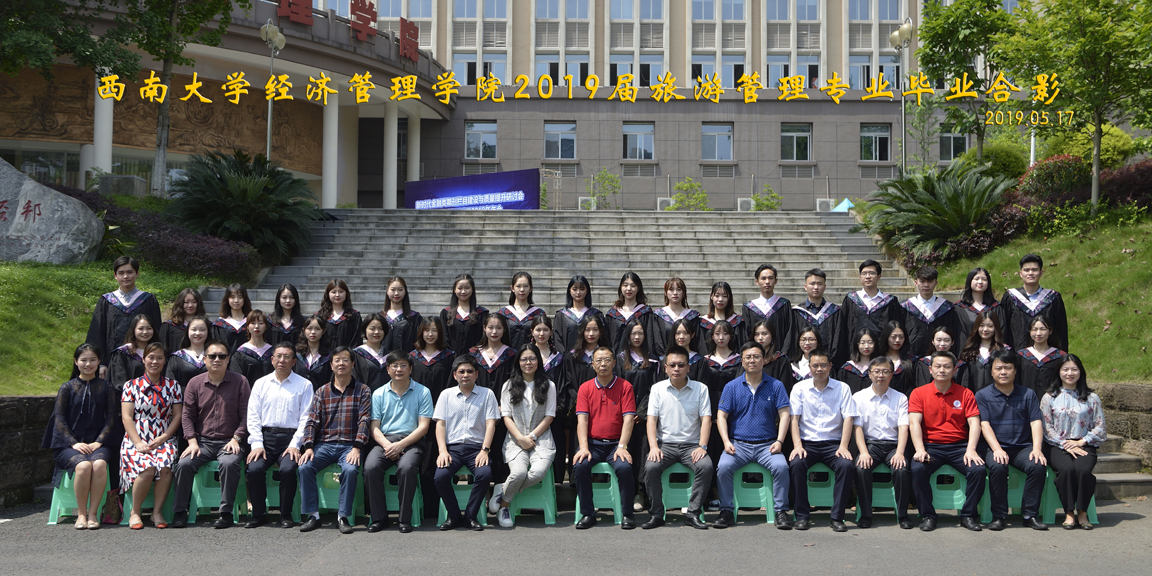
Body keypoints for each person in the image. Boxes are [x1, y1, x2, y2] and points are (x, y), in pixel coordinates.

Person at [170, 340, 251, 529]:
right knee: (183, 464)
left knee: (229, 463)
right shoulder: (195, 383)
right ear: (205, 359)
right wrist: (192, 441)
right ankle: (180, 512)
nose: (217, 360)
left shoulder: (240, 382)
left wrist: (237, 438)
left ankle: (226, 513)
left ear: (228, 359)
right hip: (202, 442)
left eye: (221, 356)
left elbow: (247, 415)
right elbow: (187, 415)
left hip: (231, 441)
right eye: (212, 356)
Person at [712, 342, 793, 530]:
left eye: (756, 356)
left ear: (764, 360)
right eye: (748, 357)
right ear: (741, 361)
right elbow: (721, 416)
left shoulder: (776, 385)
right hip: (738, 445)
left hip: (768, 445)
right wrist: (726, 441)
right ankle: (726, 510)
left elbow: (785, 414)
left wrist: (780, 441)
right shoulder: (732, 387)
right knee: (723, 467)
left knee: (781, 467)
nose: (752, 360)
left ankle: (781, 511)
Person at [297, 346, 372, 534]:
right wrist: (308, 447)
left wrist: (357, 448)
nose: (341, 364)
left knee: (350, 469)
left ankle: (343, 516)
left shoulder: (362, 390)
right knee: (305, 466)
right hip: (324, 445)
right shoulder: (322, 392)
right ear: (331, 365)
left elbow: (364, 420)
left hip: (350, 446)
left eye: (345, 360)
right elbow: (312, 421)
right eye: (337, 360)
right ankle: (313, 515)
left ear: (352, 364)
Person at [42, 344, 118, 530]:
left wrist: (99, 441)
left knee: (99, 464)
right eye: (84, 360)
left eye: (92, 360)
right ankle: (81, 514)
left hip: (98, 444)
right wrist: (73, 443)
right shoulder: (67, 388)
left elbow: (111, 418)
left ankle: (93, 514)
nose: (88, 364)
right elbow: (59, 419)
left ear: (99, 362)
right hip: (69, 446)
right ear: (76, 362)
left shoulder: (107, 387)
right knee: (83, 466)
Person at [909, 351, 986, 532]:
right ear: (930, 369)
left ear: (954, 370)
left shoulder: (965, 393)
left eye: (946, 366)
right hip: (931, 446)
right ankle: (928, 515)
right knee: (918, 469)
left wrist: (971, 449)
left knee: (978, 470)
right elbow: (914, 423)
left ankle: (968, 515)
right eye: (937, 366)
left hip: (959, 446)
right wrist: (920, 449)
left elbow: (974, 423)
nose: (942, 370)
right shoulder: (919, 393)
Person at [641, 346, 713, 530]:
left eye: (681, 365)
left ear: (688, 367)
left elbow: (706, 420)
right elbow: (651, 420)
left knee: (705, 466)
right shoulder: (657, 389)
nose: (676, 369)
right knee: (650, 467)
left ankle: (693, 513)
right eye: (672, 365)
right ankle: (657, 514)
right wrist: (654, 447)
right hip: (665, 445)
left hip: (692, 446)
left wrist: (702, 446)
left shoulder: (700, 389)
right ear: (665, 368)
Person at [243, 342, 314, 529]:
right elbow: (253, 416)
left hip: (290, 439)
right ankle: (259, 514)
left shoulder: (304, 385)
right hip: (265, 438)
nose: (282, 360)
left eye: (287, 357)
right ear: (272, 359)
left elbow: (306, 418)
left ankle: (285, 514)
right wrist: (257, 444)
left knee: (288, 470)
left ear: (294, 361)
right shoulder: (261, 383)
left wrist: (295, 444)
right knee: (254, 469)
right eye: (278, 356)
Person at [976, 349, 1048, 530]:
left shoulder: (1028, 394)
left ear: (1015, 370)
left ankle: (1030, 515)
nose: (1003, 372)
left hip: (1022, 447)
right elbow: (984, 424)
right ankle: (999, 516)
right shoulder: (982, 395)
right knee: (998, 467)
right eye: (998, 368)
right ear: (991, 371)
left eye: (1008, 368)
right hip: (994, 447)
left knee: (1037, 465)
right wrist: (997, 449)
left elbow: (1036, 422)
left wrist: (1037, 448)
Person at [788, 348, 858, 532]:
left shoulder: (842, 388)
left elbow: (848, 418)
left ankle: (837, 517)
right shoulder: (799, 388)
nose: (819, 369)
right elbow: (794, 419)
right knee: (796, 464)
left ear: (830, 366)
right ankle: (802, 515)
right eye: (815, 365)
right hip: (807, 444)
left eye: (823, 365)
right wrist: (797, 445)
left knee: (846, 465)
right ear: (809, 367)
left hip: (833, 444)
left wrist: (844, 446)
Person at [364, 352, 433, 533]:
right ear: (388, 370)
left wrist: (401, 445)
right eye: (394, 365)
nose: (399, 369)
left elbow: (423, 427)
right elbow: (374, 428)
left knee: (406, 468)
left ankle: (404, 519)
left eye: (403, 365)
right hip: (385, 441)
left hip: (412, 441)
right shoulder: (379, 394)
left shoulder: (423, 392)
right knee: (370, 467)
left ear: (410, 369)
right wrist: (388, 446)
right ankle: (379, 518)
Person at [489, 345, 557, 528]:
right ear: (518, 362)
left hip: (542, 439)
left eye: (532, 358)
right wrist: (520, 438)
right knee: (518, 472)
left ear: (538, 361)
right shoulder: (509, 385)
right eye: (524, 359)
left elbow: (549, 416)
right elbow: (506, 416)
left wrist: (532, 436)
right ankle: (505, 504)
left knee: (538, 473)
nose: (528, 363)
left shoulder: (548, 385)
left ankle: (503, 496)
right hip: (515, 439)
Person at [573, 347, 637, 529]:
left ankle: (627, 514)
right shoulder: (585, 388)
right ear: (592, 364)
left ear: (614, 363)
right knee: (580, 466)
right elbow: (582, 420)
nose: (603, 364)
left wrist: (622, 446)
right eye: (599, 361)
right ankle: (588, 513)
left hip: (616, 444)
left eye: (607, 360)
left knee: (624, 468)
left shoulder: (625, 386)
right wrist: (583, 447)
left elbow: (629, 419)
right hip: (592, 444)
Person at [119, 342, 182, 529]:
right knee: (147, 467)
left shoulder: (173, 386)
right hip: (135, 437)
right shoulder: (131, 385)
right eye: (151, 357)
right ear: (143, 359)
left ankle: (157, 512)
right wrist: (138, 442)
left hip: (163, 437)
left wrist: (163, 438)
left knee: (165, 466)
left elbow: (177, 416)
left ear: (165, 360)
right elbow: (126, 417)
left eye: (159, 358)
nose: (155, 362)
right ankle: (135, 512)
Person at [433, 355, 500, 531]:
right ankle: (454, 516)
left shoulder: (487, 394)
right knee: (440, 477)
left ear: (476, 374)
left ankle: (470, 516)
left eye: (469, 371)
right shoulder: (446, 395)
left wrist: (485, 450)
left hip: (477, 448)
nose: (465, 375)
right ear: (454, 375)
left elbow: (491, 424)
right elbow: (440, 424)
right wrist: (442, 451)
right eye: (461, 371)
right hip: (452, 449)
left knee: (484, 474)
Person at [1040, 354, 1105, 530]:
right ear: (1059, 372)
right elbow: (1046, 427)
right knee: (1067, 470)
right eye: (1065, 369)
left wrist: (1082, 441)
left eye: (1074, 369)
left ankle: (1082, 512)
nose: (1070, 373)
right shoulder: (1049, 397)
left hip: (1084, 444)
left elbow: (1100, 426)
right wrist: (1064, 444)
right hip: (1056, 445)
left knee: (1083, 471)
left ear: (1080, 372)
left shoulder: (1092, 398)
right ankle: (1069, 512)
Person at [851, 356, 913, 529]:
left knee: (902, 469)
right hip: (870, 445)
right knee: (861, 468)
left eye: (885, 371)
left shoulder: (900, 398)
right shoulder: (859, 397)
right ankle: (865, 514)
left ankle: (902, 515)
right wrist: (863, 452)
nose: (881, 375)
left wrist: (900, 453)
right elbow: (857, 428)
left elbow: (903, 428)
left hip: (893, 445)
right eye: (877, 371)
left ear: (892, 375)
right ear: (869, 374)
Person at [86, 256, 162, 381]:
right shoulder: (107, 301)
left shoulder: (148, 300)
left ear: (137, 274)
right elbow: (97, 333)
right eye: (121, 273)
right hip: (112, 362)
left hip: (142, 362)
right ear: (115, 276)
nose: (125, 276)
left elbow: (157, 331)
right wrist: (101, 363)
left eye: (129, 272)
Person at [614, 317, 659, 508]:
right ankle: (626, 492)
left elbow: (655, 389)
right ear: (628, 335)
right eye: (633, 333)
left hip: (645, 416)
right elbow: (618, 387)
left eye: (640, 333)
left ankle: (641, 493)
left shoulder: (653, 360)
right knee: (626, 450)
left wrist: (642, 412)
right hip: (625, 415)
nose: (637, 336)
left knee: (642, 452)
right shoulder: (620, 359)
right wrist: (629, 412)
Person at [1001, 254, 1069, 352]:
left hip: (1047, 356)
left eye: (1034, 270)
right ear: (1021, 273)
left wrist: (1062, 356)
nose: (1030, 273)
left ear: (1041, 272)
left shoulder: (1053, 298)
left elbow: (1061, 331)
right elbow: (1003, 330)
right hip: (1017, 356)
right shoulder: (1011, 297)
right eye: (1026, 270)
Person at [841, 260, 904, 358]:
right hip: (855, 354)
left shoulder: (890, 301)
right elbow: (843, 328)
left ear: (879, 276)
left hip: (881, 354)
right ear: (859, 277)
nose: (868, 276)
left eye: (872, 273)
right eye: (864, 273)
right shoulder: (851, 299)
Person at [901, 266, 963, 357]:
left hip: (941, 357)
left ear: (936, 283)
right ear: (916, 282)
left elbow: (954, 333)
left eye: (930, 281)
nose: (926, 285)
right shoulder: (906, 306)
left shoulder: (947, 307)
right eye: (922, 281)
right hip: (912, 357)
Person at [788, 269, 844, 364]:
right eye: (812, 284)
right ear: (805, 287)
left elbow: (838, 339)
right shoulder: (796, 312)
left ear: (825, 287)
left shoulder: (835, 311)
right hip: (802, 364)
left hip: (828, 364)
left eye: (819, 284)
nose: (816, 287)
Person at [955, 267, 1006, 353]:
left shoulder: (996, 307)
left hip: (992, 354)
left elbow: (1002, 332)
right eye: (977, 278)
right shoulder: (959, 308)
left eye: (984, 279)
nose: (980, 282)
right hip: (967, 354)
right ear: (970, 281)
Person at [742, 264, 793, 349]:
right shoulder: (749, 307)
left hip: (779, 354)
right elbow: (746, 334)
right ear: (757, 282)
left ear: (776, 281)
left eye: (770, 278)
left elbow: (789, 332)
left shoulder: (784, 304)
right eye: (763, 278)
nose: (767, 282)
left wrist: (783, 354)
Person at [649, 277, 700, 359]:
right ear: (665, 292)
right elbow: (657, 342)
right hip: (666, 361)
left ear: (684, 293)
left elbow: (697, 342)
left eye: (679, 289)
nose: (675, 293)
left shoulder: (692, 316)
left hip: (689, 360)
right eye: (671, 289)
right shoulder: (658, 315)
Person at [959, 309, 1009, 392]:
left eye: (990, 326)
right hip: (973, 396)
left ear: (996, 327)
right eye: (981, 325)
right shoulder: (969, 351)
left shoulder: (1004, 351)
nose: (985, 329)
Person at [440, 274, 489, 356]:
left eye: (467, 288)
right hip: (450, 358)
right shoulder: (446, 313)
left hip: (474, 358)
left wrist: (472, 355)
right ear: (455, 290)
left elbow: (483, 338)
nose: (463, 291)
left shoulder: (482, 313)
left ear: (472, 289)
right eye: (460, 288)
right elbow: (444, 337)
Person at [553, 275, 604, 354]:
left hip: (592, 358)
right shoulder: (561, 315)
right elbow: (557, 340)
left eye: (582, 289)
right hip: (568, 359)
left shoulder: (596, 314)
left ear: (587, 291)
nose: (578, 292)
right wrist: (565, 358)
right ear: (569, 291)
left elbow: (602, 339)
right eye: (574, 289)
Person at [605, 271, 653, 354]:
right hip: (616, 358)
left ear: (638, 288)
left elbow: (650, 338)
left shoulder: (646, 313)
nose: (629, 289)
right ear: (620, 287)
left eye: (633, 285)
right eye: (625, 285)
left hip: (640, 358)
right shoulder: (612, 314)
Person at [1019, 315, 1066, 397]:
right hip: (1026, 400)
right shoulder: (1021, 356)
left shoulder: (1060, 356)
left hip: (1052, 400)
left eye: (1043, 329)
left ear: (1050, 331)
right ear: (1030, 332)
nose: (1038, 333)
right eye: (1034, 329)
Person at [497, 271, 547, 349]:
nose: (522, 289)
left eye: (526, 286)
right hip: (507, 354)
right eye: (518, 286)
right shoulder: (503, 313)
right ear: (512, 288)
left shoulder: (538, 313)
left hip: (530, 355)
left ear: (531, 288)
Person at [108, 314, 158, 390]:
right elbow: (118, 382)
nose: (145, 332)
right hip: (129, 395)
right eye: (141, 329)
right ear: (133, 330)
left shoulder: (158, 352)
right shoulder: (123, 353)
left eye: (149, 328)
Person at [410, 317, 456, 400]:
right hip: (416, 403)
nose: (430, 334)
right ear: (421, 332)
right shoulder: (413, 357)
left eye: (434, 330)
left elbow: (451, 383)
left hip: (441, 403)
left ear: (439, 332)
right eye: (427, 330)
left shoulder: (449, 357)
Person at [471, 313, 517, 391]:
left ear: (504, 329)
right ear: (484, 328)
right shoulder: (475, 353)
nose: (494, 332)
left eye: (499, 328)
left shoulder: (511, 354)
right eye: (490, 327)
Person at [698, 281, 746, 355]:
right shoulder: (703, 322)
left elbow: (741, 346)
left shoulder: (737, 321)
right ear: (711, 296)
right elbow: (702, 347)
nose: (720, 299)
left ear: (729, 298)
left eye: (724, 296)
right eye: (717, 296)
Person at [229, 310, 274, 388]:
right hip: (248, 393)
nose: (256, 326)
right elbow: (237, 380)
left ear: (266, 326)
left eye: (261, 323)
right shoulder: (240, 353)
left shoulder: (273, 351)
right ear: (247, 326)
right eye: (253, 323)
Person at [749, 320, 795, 393]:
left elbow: (786, 387)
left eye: (764, 334)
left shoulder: (781, 360)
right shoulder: (748, 359)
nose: (760, 337)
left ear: (772, 335)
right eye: (757, 334)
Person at [164, 316, 210, 390]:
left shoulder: (214, 356)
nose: (198, 333)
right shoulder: (177, 357)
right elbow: (170, 384)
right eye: (194, 329)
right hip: (183, 396)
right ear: (188, 331)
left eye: (202, 330)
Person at [382, 276, 423, 356]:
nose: (396, 293)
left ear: (405, 291)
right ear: (387, 291)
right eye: (393, 290)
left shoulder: (414, 318)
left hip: (407, 360)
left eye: (400, 289)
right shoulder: (381, 317)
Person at [318, 279, 363, 349]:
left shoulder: (354, 316)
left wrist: (347, 354)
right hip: (324, 355)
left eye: (341, 292)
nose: (337, 295)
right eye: (333, 292)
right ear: (328, 294)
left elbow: (357, 341)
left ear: (346, 293)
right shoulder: (320, 316)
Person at [159, 288, 204, 356]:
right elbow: (162, 349)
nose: (190, 305)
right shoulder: (169, 326)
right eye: (186, 302)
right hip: (175, 361)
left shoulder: (207, 326)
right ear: (180, 303)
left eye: (194, 302)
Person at [353, 312, 391, 392]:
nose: (376, 332)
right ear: (365, 330)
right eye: (372, 329)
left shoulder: (390, 355)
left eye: (380, 328)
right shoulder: (356, 355)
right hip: (364, 397)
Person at [295, 314, 333, 391]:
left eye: (317, 329)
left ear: (323, 331)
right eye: (309, 328)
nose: (313, 332)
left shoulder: (329, 356)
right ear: (304, 330)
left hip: (321, 395)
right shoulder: (297, 354)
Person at [878, 320, 917, 396]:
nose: (897, 340)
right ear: (886, 337)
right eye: (893, 337)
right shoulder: (878, 360)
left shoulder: (912, 361)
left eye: (901, 337)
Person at [212, 283, 252, 354]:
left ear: (244, 299)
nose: (236, 300)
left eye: (240, 297)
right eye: (232, 297)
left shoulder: (251, 322)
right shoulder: (219, 324)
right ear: (227, 299)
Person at [837, 328, 877, 393]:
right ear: (857, 344)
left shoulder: (878, 367)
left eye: (870, 342)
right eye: (862, 343)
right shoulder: (847, 368)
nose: (866, 346)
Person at [267, 284, 305, 350]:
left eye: (292, 297)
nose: (288, 301)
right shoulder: (270, 320)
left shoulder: (302, 321)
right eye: (284, 297)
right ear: (278, 299)